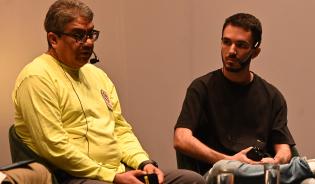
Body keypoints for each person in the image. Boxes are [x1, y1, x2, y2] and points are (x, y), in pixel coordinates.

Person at [12, 0, 204, 184]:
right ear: (53, 39)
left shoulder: (98, 76)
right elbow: (55, 147)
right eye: (78, 35)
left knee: (190, 180)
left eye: (91, 34)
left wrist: (143, 162)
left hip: (115, 172)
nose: (88, 43)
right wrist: (111, 176)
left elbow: (120, 130)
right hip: (70, 176)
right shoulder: (36, 77)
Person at [174, 13, 296, 176]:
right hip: (219, 172)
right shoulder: (201, 88)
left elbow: (284, 149)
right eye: (226, 42)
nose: (231, 51)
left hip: (259, 172)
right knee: (227, 169)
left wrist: (275, 162)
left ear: (255, 52)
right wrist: (230, 160)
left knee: (307, 174)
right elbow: (181, 139)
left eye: (241, 45)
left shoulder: (272, 96)